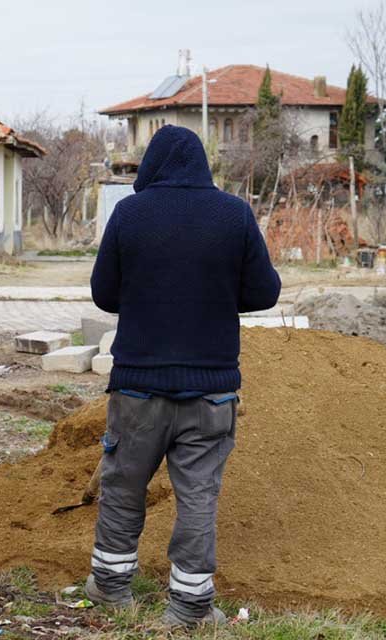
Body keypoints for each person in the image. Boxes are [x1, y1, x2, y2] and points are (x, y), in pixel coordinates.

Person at [85, 125, 281, 628]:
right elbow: (264, 293)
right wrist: (217, 292)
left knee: (124, 486)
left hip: (137, 387)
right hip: (211, 392)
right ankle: (190, 608)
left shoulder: (130, 214)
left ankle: (110, 588)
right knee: (198, 497)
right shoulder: (234, 214)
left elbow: (104, 294)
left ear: (152, 166)